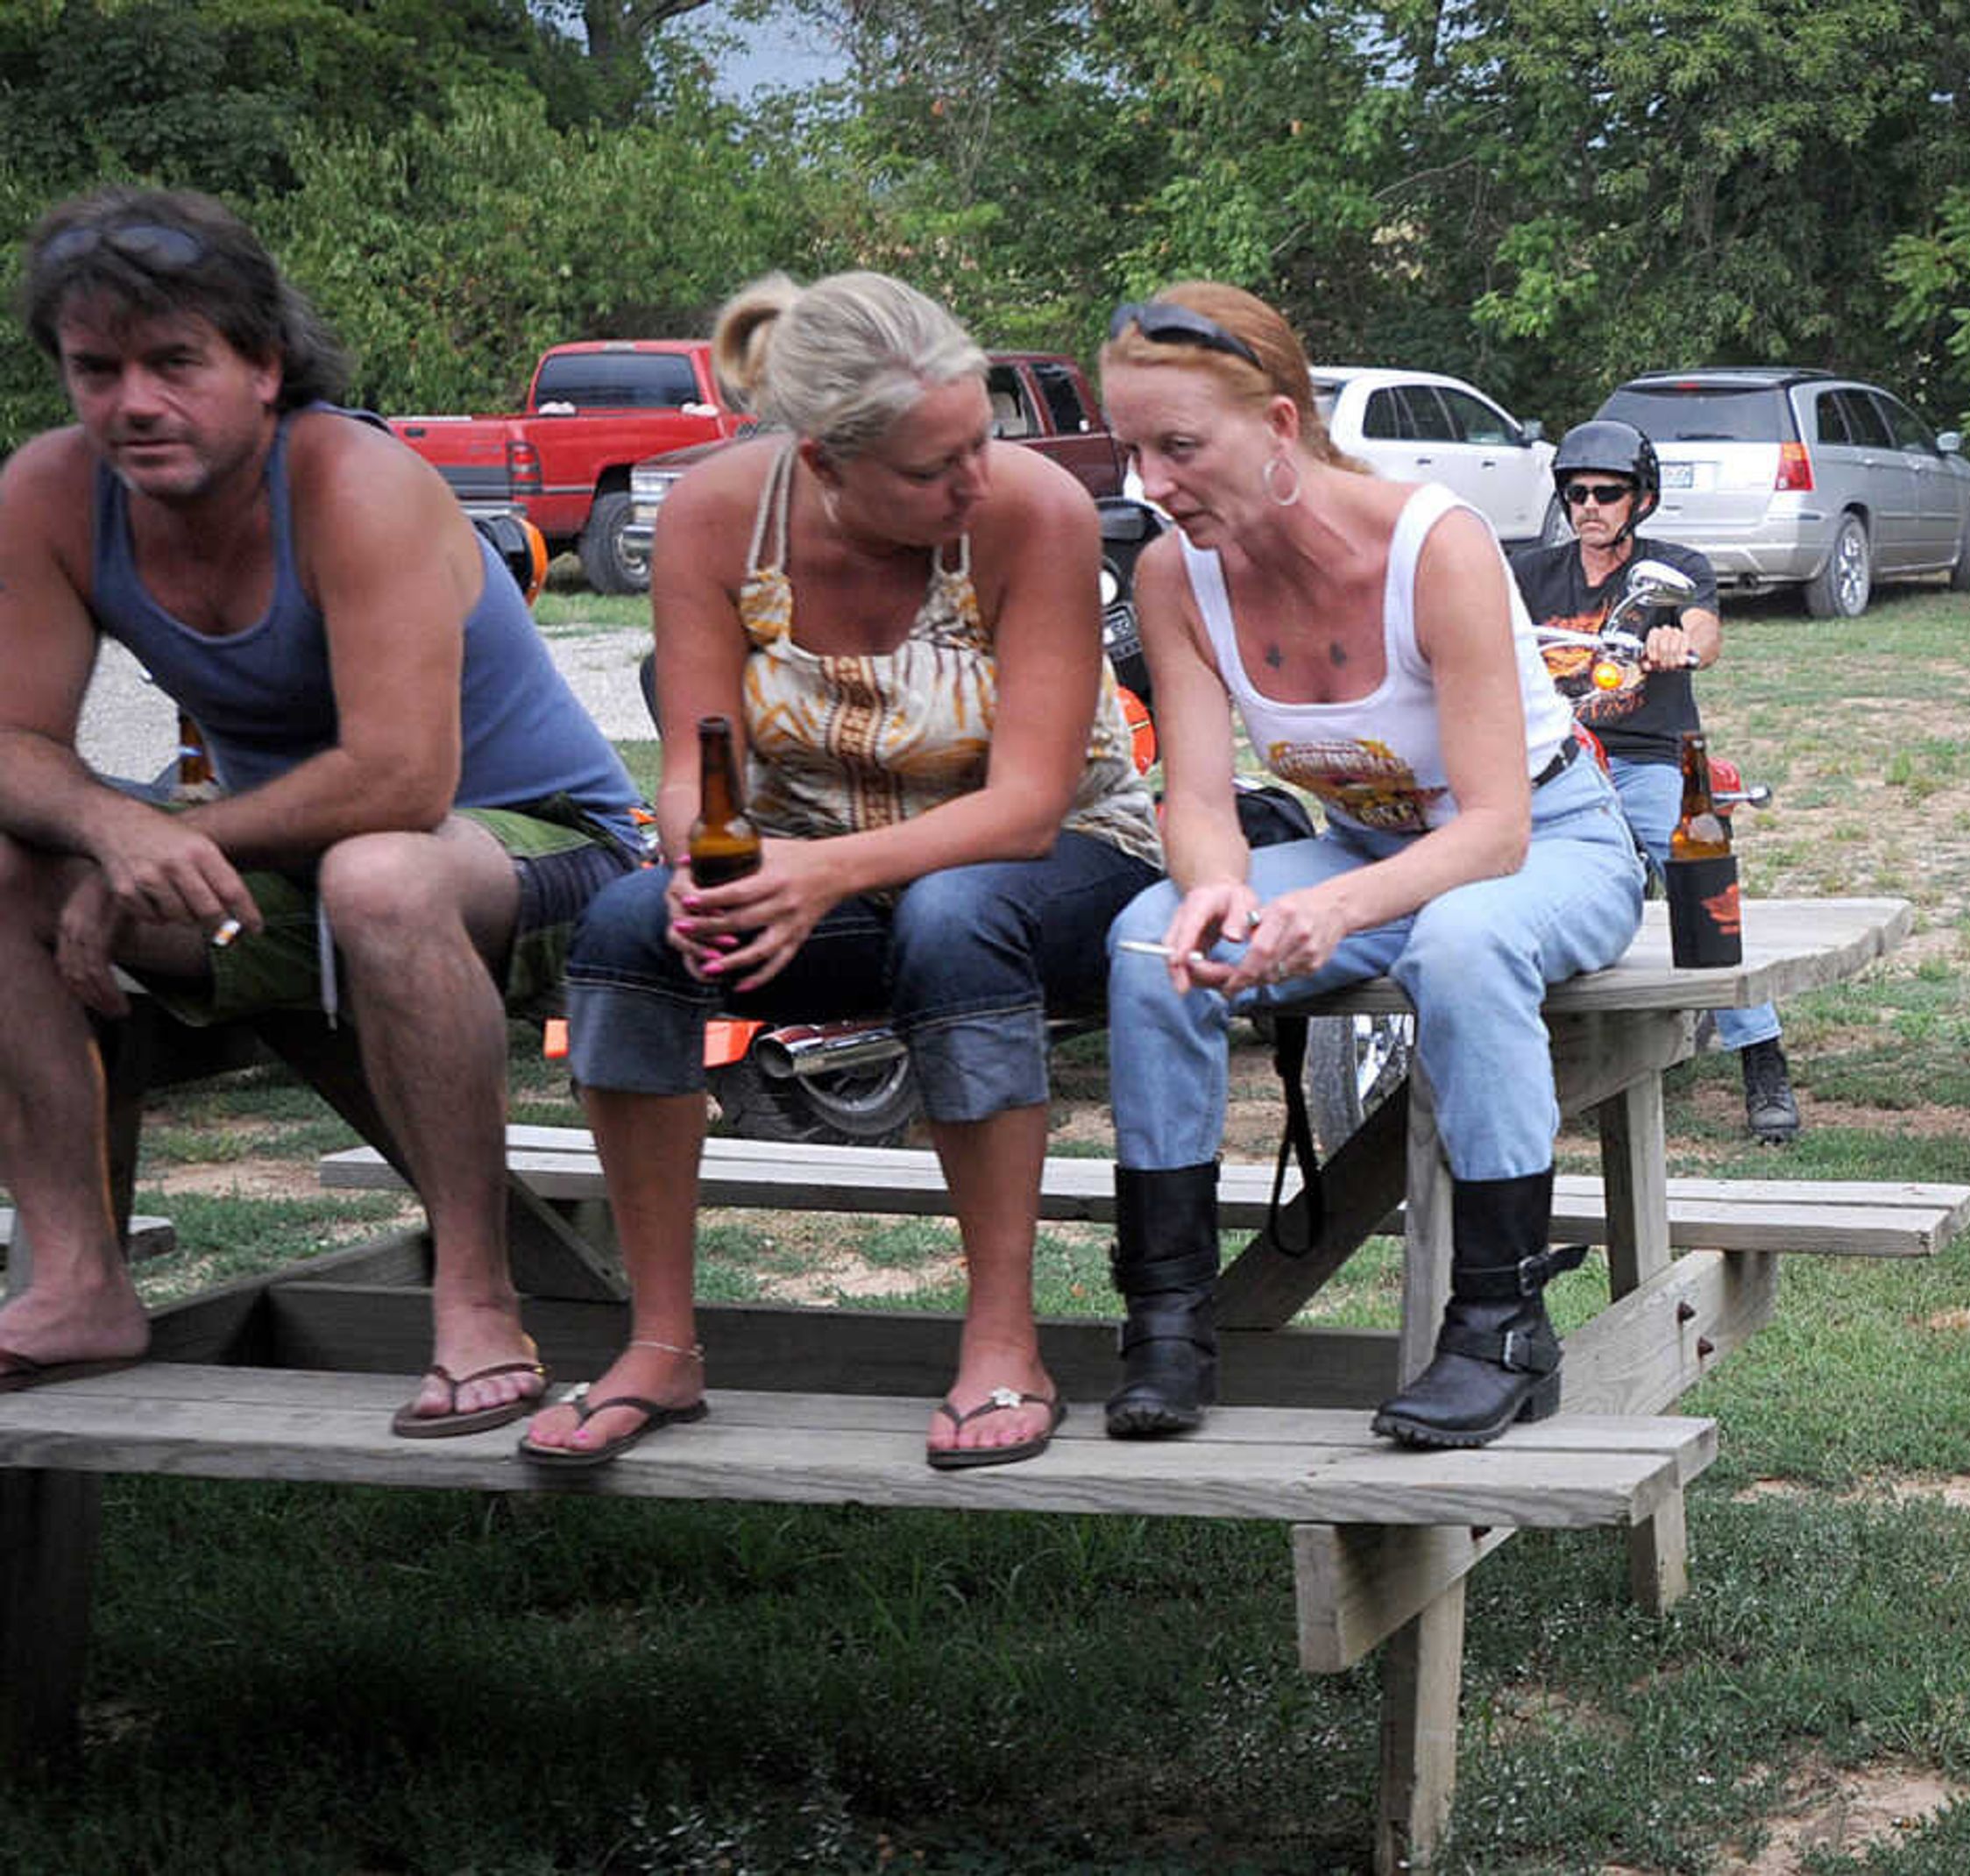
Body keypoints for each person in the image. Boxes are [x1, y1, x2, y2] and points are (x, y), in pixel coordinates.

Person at [0, 188, 647, 1427]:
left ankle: (475, 1298)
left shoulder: (355, 480)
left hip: (554, 847)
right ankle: (80, 1275)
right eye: (96, 369)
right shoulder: (50, 494)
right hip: (294, 867)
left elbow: (400, 781)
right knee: (14, 865)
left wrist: (161, 835)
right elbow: (14, 740)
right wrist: (109, 827)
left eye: (175, 362)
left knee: (382, 873)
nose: (134, 401)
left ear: (264, 363)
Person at [518, 271, 1162, 1472]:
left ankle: (1004, 1339)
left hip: (1056, 869)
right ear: (822, 461)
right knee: (623, 926)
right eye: (934, 469)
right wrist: (706, 863)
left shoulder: (1034, 516)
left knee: (954, 912)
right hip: (821, 873)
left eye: (985, 439)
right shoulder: (718, 518)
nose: (976, 478)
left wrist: (818, 873)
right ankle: (660, 1344)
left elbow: (1026, 809)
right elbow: (693, 766)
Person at [1095, 283, 1643, 1448]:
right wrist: (1218, 889)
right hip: (1366, 853)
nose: (1152, 482)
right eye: (1133, 447)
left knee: (1467, 936)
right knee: (1153, 942)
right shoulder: (1174, 573)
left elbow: (1495, 830)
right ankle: (1168, 1320)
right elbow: (1194, 797)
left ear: (1281, 426)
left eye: (1179, 446)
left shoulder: (1431, 545)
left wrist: (1334, 908)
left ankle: (1501, 1325)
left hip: (1551, 843)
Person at [1510, 419, 1800, 1144]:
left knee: (1694, 873)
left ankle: (1761, 1057)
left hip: (1644, 757)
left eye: (1607, 492)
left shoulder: (1673, 567)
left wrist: (1678, 643)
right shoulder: (1532, 574)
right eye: (1576, 492)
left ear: (1641, 499)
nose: (1590, 506)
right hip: (1552, 759)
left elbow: (1705, 631)